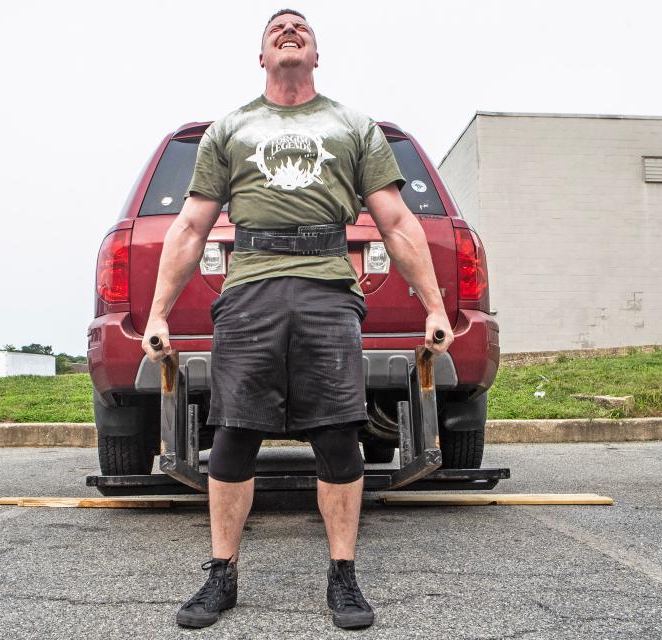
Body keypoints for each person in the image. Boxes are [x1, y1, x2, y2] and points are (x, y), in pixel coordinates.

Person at [142, 8, 452, 630]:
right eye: (276, 28)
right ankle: (221, 574)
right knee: (234, 433)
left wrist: (436, 304)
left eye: (301, 28)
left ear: (317, 53)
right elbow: (191, 225)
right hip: (249, 289)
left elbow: (395, 221)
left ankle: (343, 575)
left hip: (328, 290)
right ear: (261, 55)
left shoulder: (353, 125)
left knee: (338, 433)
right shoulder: (229, 128)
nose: (290, 31)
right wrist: (157, 311)